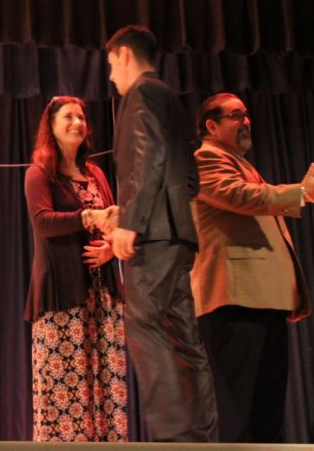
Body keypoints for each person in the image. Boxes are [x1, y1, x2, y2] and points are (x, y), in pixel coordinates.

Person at [191, 92, 314, 442]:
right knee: (239, 410)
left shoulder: (242, 163)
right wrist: (301, 193)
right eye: (236, 115)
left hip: (262, 298)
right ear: (212, 125)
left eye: (247, 114)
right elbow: (242, 197)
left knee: (266, 411)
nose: (246, 121)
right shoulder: (206, 158)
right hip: (234, 300)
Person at [105, 25, 217, 442]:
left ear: (125, 55)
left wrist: (132, 221)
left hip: (153, 237)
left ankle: (174, 439)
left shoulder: (141, 94)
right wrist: (141, 208)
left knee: (144, 325)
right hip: (178, 236)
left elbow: (147, 156)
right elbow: (187, 179)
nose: (111, 75)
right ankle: (203, 437)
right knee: (185, 341)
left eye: (112, 63)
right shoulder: (169, 96)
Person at [23, 96, 127, 442]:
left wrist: (112, 247)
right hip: (62, 297)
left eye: (81, 117)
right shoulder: (39, 173)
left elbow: (114, 219)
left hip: (103, 296)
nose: (77, 123)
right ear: (51, 126)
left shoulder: (95, 173)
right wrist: (86, 216)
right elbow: (42, 222)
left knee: (106, 386)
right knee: (65, 390)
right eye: (68, 116)